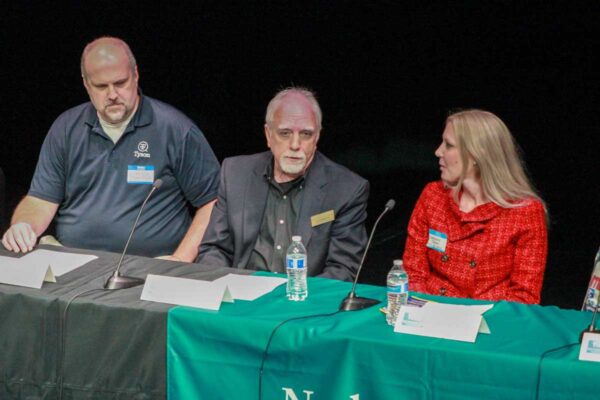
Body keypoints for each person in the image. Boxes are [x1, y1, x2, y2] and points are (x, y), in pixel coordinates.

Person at [1, 37, 219, 262]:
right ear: (86, 84)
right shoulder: (65, 128)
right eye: (101, 86)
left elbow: (213, 202)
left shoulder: (175, 129)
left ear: (136, 75)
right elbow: (40, 199)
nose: (112, 94)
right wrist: (23, 226)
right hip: (72, 265)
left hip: (152, 268)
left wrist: (181, 259)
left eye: (120, 83)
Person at [198, 87, 369, 281]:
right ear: (268, 135)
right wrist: (224, 288)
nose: (295, 144)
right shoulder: (235, 173)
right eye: (285, 133)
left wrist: (295, 299)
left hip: (303, 302)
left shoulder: (346, 189)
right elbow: (214, 249)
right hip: (240, 299)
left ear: (317, 137)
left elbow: (343, 269)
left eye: (305, 134)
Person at [403, 109, 548, 304]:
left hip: (488, 321)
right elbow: (413, 272)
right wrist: (422, 311)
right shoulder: (433, 196)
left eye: (449, 145)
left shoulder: (525, 212)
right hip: (429, 310)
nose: (438, 151)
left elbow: (524, 296)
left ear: (476, 156)